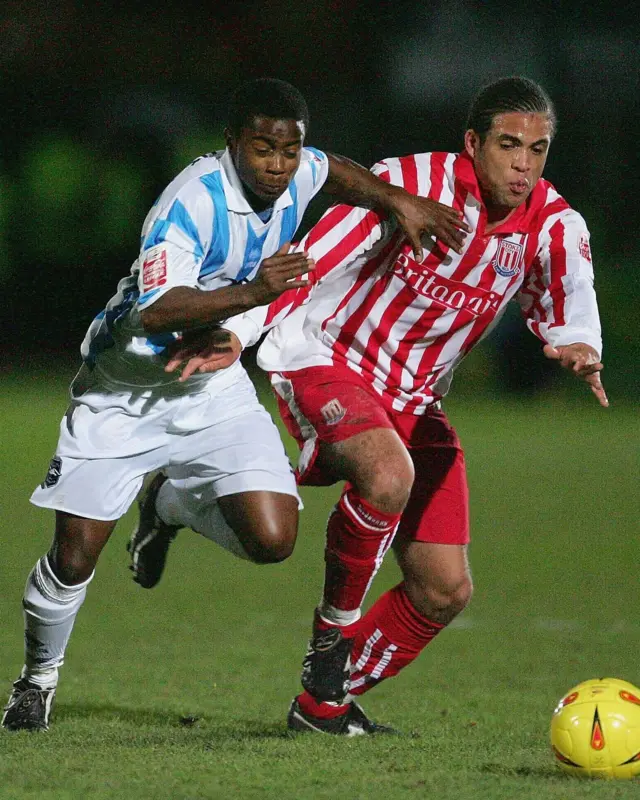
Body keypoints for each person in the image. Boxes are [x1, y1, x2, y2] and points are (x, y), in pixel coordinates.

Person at [2, 78, 469, 733]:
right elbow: (156, 308)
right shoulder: (191, 204)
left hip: (212, 383)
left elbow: (334, 171)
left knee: (274, 538)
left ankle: (167, 502)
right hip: (127, 388)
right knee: (76, 554)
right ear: (232, 144)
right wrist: (254, 291)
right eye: (261, 149)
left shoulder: (297, 169)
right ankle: (36, 683)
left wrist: (396, 200)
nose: (277, 164)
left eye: (288, 149)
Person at [165, 76, 607, 736]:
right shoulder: (410, 184)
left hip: (415, 398)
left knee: (443, 588)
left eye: (538, 149)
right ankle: (328, 645)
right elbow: (313, 258)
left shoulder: (554, 223)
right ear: (472, 142)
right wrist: (242, 328)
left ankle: (323, 704)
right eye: (509, 145)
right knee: (387, 474)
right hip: (327, 358)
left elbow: (564, 296)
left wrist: (576, 342)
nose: (523, 163)